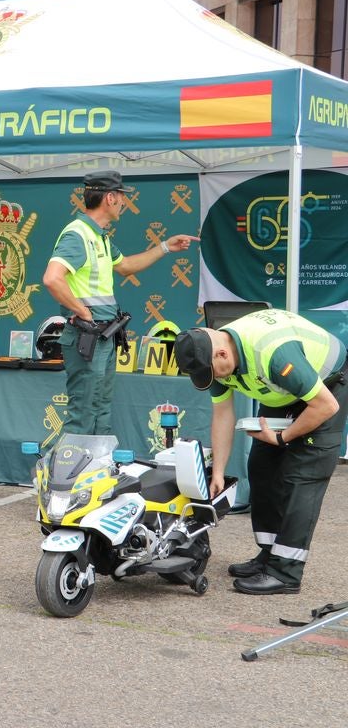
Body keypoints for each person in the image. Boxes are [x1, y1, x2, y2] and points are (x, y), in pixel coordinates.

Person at [174, 311, 348, 595]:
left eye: (214, 371)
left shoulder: (273, 354)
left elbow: (325, 406)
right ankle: (270, 555)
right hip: (282, 389)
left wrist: (283, 438)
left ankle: (286, 572)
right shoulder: (212, 356)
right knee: (261, 466)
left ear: (221, 353)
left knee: (302, 476)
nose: (215, 378)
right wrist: (217, 471)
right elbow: (222, 414)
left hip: (326, 387)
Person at [42, 170, 199, 436]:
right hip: (86, 338)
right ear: (110, 198)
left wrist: (164, 247)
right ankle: (69, 476)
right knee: (84, 412)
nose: (125, 203)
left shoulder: (99, 235)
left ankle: (97, 471)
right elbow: (52, 278)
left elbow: (125, 266)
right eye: (122, 197)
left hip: (103, 337)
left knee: (101, 409)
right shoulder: (78, 234)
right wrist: (81, 311)